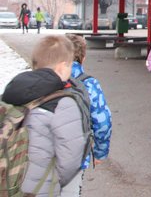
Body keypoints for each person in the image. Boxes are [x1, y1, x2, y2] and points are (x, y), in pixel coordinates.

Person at [2, 36, 88, 196]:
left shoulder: (12, 90)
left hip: (11, 181)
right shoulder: (63, 103)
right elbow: (71, 158)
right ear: (62, 67)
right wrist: (55, 182)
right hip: (42, 187)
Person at [62, 34, 113, 196]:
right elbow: (102, 121)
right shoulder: (88, 84)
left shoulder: (45, 79)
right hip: (75, 156)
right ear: (83, 57)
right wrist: (100, 152)